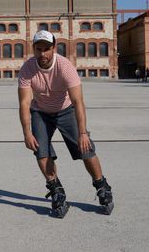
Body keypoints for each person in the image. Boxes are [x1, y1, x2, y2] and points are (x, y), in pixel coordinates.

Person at [17, 30, 113, 217]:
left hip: (66, 109)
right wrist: (27, 133)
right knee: (41, 150)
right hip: (41, 112)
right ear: (33, 49)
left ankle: (102, 186)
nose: (42, 53)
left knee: (85, 148)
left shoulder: (64, 66)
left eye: (46, 49)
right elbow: (24, 103)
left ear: (54, 48)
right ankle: (56, 191)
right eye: (38, 49)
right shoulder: (27, 68)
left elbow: (78, 101)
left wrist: (83, 132)